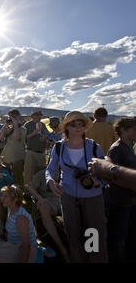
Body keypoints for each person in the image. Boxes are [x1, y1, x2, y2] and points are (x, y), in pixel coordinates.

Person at [46, 111, 108, 263]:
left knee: (93, 236)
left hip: (92, 197)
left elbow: (105, 172)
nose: (78, 127)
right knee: (73, 237)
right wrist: (50, 181)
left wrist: (97, 182)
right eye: (73, 124)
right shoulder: (59, 147)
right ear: (66, 127)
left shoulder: (93, 146)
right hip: (68, 197)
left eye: (81, 124)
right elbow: (50, 168)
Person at [105, 118, 136, 262]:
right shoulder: (117, 148)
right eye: (133, 129)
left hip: (129, 200)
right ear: (123, 131)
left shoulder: (128, 146)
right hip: (119, 201)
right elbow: (112, 176)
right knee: (117, 237)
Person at [0, 185, 38, 263]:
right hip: (13, 244)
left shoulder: (20, 218)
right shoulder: (10, 208)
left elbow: (26, 245)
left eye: (5, 197)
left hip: (22, 248)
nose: (2, 199)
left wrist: (23, 260)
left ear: (14, 200)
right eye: (3, 196)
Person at [28, 169, 69, 261]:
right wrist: (40, 198)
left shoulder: (67, 172)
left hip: (67, 200)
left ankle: (77, 243)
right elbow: (30, 187)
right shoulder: (42, 173)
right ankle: (61, 246)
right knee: (43, 207)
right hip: (50, 202)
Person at [0, 109, 27, 188]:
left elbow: (17, 137)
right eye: (11, 116)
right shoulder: (8, 128)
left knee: (17, 178)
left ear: (18, 117)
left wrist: (15, 124)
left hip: (17, 157)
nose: (12, 118)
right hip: (6, 157)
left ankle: (19, 194)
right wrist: (5, 125)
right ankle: (8, 195)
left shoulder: (23, 128)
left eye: (14, 116)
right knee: (6, 177)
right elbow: (0, 137)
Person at [23, 109, 49, 186]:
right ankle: (28, 191)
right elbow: (23, 138)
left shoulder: (43, 125)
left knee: (40, 172)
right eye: (37, 115)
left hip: (41, 153)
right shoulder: (27, 125)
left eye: (40, 115)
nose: (39, 117)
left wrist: (45, 137)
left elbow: (47, 135)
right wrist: (33, 134)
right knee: (29, 173)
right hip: (31, 152)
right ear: (32, 116)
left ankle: (38, 190)